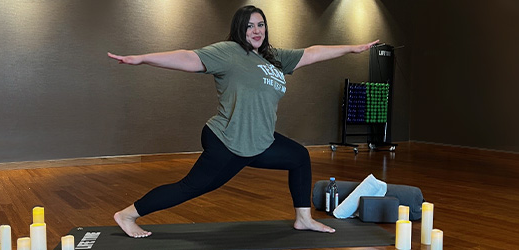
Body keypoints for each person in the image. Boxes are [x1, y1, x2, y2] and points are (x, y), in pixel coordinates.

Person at [107, 5, 378, 238]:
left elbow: (313, 52)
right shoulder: (229, 52)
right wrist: (142, 59)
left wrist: (353, 49)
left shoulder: (274, 58)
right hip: (229, 139)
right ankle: (127, 215)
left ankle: (303, 219)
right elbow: (188, 57)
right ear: (240, 29)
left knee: (298, 157)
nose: (256, 30)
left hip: (260, 140)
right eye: (250, 26)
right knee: (190, 188)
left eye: (261, 25)